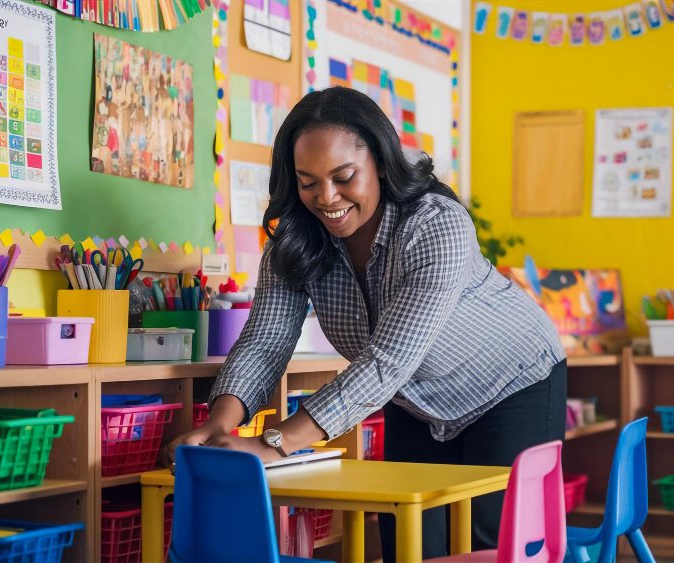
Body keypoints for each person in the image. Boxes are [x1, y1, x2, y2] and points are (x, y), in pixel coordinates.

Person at [163, 86, 566, 561]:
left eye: (344, 176)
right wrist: (220, 427)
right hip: (415, 399)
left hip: (510, 382)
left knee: (488, 547)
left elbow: (387, 360)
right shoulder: (295, 240)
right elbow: (266, 341)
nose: (326, 197)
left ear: (379, 159)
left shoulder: (437, 225)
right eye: (307, 181)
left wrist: (278, 444)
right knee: (408, 546)